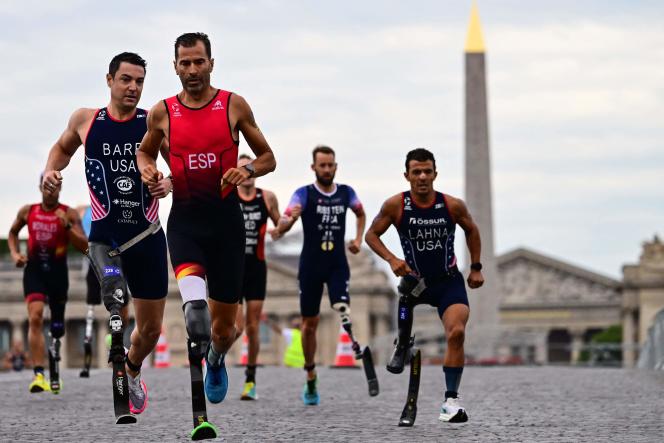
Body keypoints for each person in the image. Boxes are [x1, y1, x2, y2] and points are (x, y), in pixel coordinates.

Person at [136, 32, 276, 406]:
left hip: (227, 228)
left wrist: (246, 173)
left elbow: (268, 158)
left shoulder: (233, 105)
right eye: (185, 63)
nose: (193, 69)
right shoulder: (162, 111)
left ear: (211, 63)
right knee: (196, 317)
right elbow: (145, 153)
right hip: (185, 226)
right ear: (175, 67)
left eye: (199, 61)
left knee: (225, 329)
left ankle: (216, 360)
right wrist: (149, 172)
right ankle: (200, 364)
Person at [41, 52, 172, 413]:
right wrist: (50, 173)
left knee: (150, 331)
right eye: (126, 79)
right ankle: (114, 346)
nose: (133, 88)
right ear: (109, 80)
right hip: (105, 238)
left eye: (140, 81)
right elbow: (61, 149)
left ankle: (131, 368)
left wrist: (169, 183)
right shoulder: (87, 120)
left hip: (146, 236)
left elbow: (178, 165)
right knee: (115, 299)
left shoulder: (154, 121)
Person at [364, 148, 485, 423]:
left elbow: (472, 230)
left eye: (427, 172)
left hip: (448, 282)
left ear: (435, 174)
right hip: (414, 283)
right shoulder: (396, 205)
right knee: (406, 300)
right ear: (407, 175)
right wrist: (392, 258)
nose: (422, 177)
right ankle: (402, 343)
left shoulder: (452, 205)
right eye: (416, 172)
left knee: (456, 333)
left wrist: (476, 267)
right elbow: (371, 235)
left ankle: (451, 401)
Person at [273, 145, 366, 405]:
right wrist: (284, 225)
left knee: (341, 304)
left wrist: (358, 239)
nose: (327, 169)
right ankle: (311, 373)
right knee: (309, 324)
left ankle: (349, 328)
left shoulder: (346, 193)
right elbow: (287, 217)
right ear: (313, 167)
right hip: (310, 265)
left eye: (330, 165)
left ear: (336, 166)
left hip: (337, 262)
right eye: (322, 165)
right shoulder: (304, 194)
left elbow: (360, 212)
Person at [8, 176, 87, 393]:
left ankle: (54, 354)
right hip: (34, 272)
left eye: (55, 187)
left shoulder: (68, 213)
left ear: (60, 188)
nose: (51, 190)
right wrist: (15, 254)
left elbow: (84, 245)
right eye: (47, 186)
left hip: (58, 274)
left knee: (57, 328)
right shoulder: (28, 211)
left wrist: (68, 226)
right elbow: (13, 233)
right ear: (40, 187)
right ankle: (39, 374)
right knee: (35, 317)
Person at [232, 153, 282, 400]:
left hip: (257, 268)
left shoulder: (267, 197)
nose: (247, 174)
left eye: (250, 169)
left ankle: (250, 380)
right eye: (242, 169)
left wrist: (283, 225)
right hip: (232, 268)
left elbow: (279, 225)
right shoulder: (228, 195)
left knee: (252, 328)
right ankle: (216, 357)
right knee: (236, 328)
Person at [76, 205, 101, 377]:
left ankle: (90, 329)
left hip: (96, 258)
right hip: (96, 259)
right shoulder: (85, 211)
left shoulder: (83, 211)